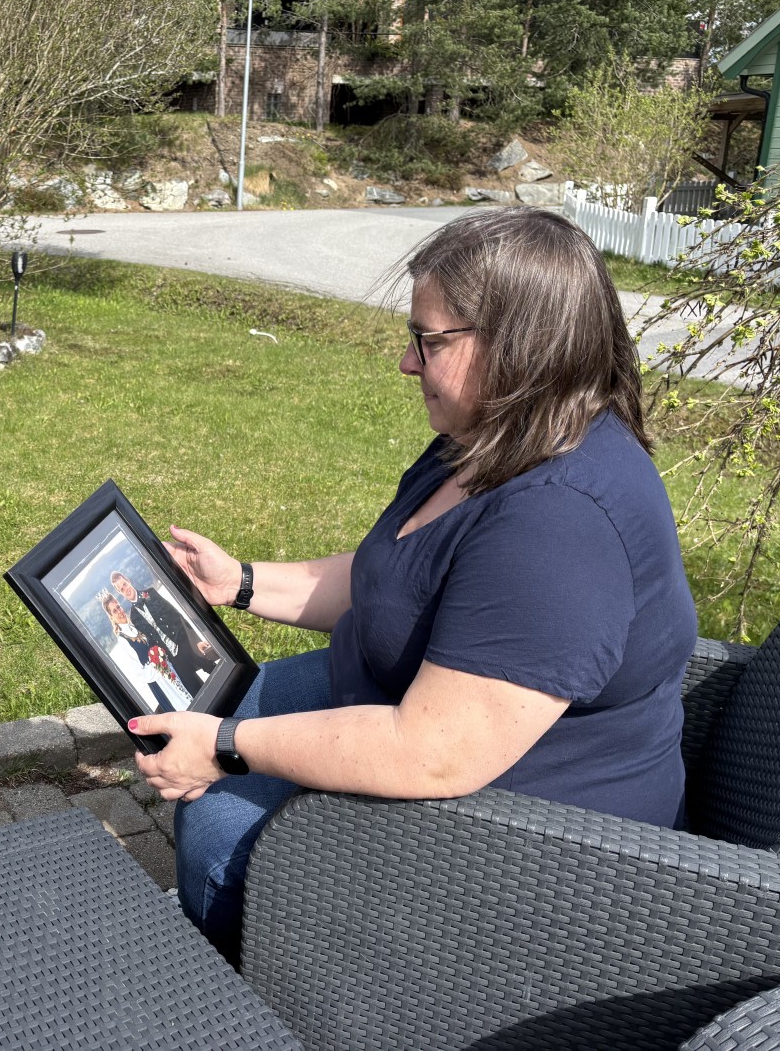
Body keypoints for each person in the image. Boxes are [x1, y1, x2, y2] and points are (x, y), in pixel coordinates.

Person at [130, 207, 697, 960]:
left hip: (519, 853)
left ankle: (257, 986)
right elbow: (392, 580)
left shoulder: (559, 525)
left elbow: (430, 750)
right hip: (412, 712)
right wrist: (238, 581)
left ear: (519, 345)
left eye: (429, 341)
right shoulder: (490, 440)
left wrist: (228, 749)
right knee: (215, 703)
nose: (407, 362)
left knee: (219, 824)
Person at [111, 571, 217, 695]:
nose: (125, 589)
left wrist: (197, 640)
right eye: (121, 589)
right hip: (171, 657)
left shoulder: (150, 593)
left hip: (183, 641)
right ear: (120, 593)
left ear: (128, 581)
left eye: (125, 584)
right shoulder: (133, 616)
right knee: (194, 690)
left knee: (211, 669)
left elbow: (177, 614)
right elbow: (150, 642)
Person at [101, 592, 190, 710]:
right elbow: (138, 672)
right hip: (158, 681)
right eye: (114, 611)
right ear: (111, 617)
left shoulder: (134, 625)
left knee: (187, 697)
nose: (119, 611)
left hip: (167, 669)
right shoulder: (123, 640)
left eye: (118, 607)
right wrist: (157, 666)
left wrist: (162, 658)